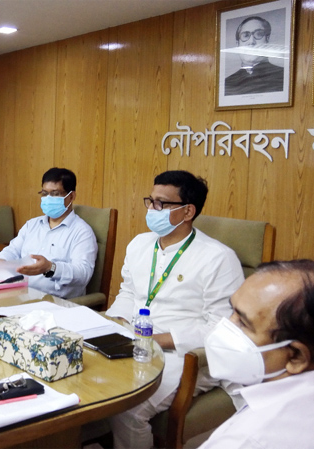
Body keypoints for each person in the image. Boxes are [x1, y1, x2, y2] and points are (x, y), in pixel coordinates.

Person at [105, 170, 244, 449]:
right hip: (134, 341)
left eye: (161, 203)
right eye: (150, 201)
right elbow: (128, 292)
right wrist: (114, 324)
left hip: (184, 354)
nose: (151, 209)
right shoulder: (139, 245)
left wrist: (156, 341)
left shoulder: (218, 258)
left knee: (128, 409)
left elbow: (222, 327)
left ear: (188, 211)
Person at [200, 259, 314, 449]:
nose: (223, 327)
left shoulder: (247, 440)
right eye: (231, 311)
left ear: (296, 357)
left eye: (243, 322)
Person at [0, 167, 97, 299]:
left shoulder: (82, 232)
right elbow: (13, 249)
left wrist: (50, 267)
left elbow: (83, 274)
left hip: (54, 302)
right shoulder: (32, 225)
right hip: (20, 294)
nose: (48, 198)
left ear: (71, 196)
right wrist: (1, 260)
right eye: (44, 193)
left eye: (55, 193)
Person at [224, 16, 284, 96]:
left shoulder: (283, 77)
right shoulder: (227, 83)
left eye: (258, 34)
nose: (251, 41)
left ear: (267, 40)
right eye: (245, 35)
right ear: (237, 44)